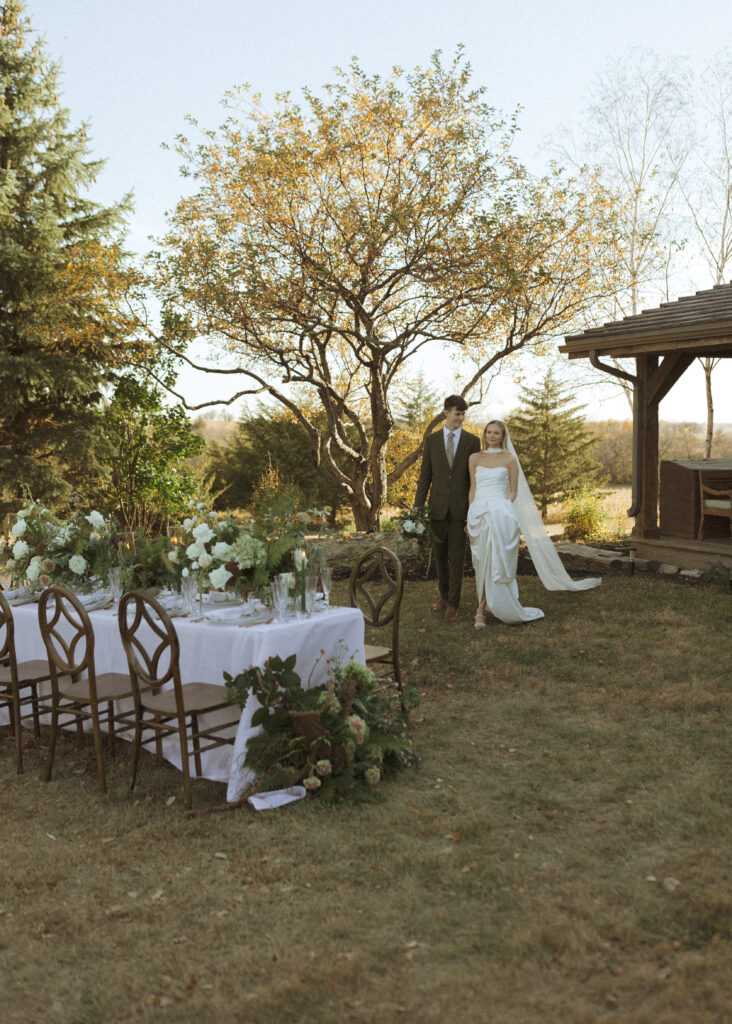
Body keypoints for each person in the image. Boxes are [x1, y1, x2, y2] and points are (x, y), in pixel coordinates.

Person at [467, 419, 600, 627]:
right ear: (484, 434)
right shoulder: (474, 458)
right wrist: (471, 513)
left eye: (496, 433)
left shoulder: (510, 459)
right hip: (479, 514)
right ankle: (483, 605)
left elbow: (513, 491)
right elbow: (473, 489)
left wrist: (502, 506)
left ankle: (481, 610)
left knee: (497, 561)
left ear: (503, 436)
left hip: (500, 515)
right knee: (481, 561)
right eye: (488, 432)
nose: (491, 436)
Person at [414, 395, 481, 623]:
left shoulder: (472, 442)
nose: (460, 418)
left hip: (461, 511)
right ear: (446, 413)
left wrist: (472, 511)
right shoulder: (431, 441)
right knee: (440, 557)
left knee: (456, 558)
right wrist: (417, 508)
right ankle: (443, 597)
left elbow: (475, 480)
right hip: (437, 510)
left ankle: (453, 604)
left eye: (463, 414)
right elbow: (425, 477)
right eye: (456, 414)